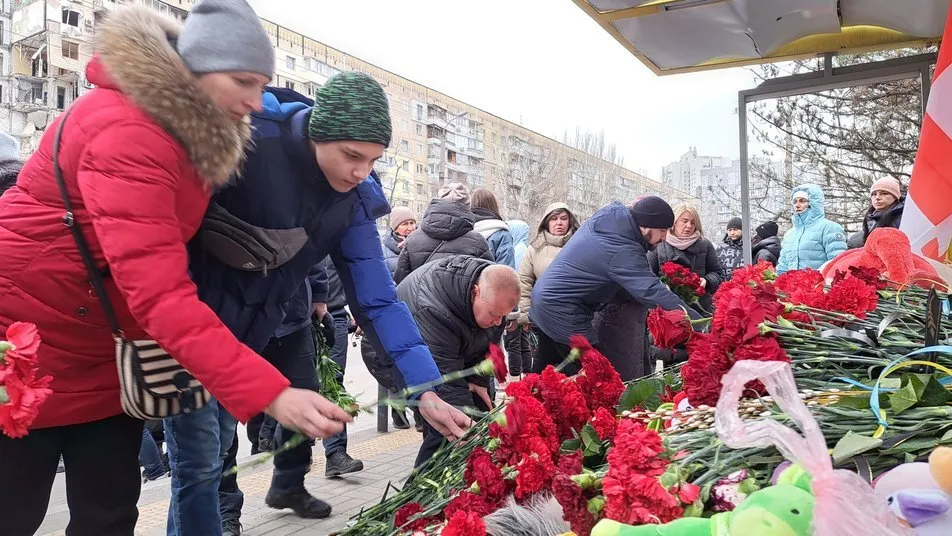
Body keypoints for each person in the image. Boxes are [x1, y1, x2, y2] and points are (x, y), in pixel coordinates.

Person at [0, 4, 350, 536]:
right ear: (198, 69)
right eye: (244, 82)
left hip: (105, 345)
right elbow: (159, 291)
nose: (257, 101)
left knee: (109, 510)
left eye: (263, 85)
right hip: (32, 342)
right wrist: (272, 392)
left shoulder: (187, 131)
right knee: (17, 505)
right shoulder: (131, 131)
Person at [176, 72, 471, 532]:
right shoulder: (249, 143)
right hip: (189, 328)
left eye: (373, 160)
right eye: (352, 155)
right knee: (201, 465)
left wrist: (424, 390)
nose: (361, 172)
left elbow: (377, 301)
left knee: (211, 457)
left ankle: (274, 490)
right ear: (317, 132)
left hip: (260, 329)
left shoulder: (352, 201)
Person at [530, 197, 701, 376]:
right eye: (662, 230)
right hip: (562, 313)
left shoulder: (610, 220)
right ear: (644, 226)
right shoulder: (623, 248)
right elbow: (651, 291)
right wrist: (698, 323)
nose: (665, 237)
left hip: (546, 304)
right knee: (597, 377)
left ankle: (523, 402)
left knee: (543, 379)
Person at [396, 256, 520, 467]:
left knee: (479, 413)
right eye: (494, 314)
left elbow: (486, 343)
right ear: (475, 292)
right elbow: (446, 382)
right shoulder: (433, 309)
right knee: (449, 426)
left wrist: (478, 380)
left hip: (453, 357)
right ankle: (420, 492)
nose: (498, 322)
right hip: (403, 356)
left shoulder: (493, 300)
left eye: (503, 317)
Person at [517, 203, 579, 373]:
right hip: (542, 319)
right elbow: (524, 282)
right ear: (546, 222)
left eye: (563, 218)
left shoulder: (580, 245)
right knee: (542, 369)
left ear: (570, 221)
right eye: (554, 218)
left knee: (573, 369)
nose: (559, 223)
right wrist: (525, 315)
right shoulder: (535, 249)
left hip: (572, 318)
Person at [394, 182, 493, 283]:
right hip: (461, 299)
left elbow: (401, 281)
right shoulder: (477, 242)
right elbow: (490, 283)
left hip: (420, 297)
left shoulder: (412, 239)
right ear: (467, 207)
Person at [776, 184, 847, 273]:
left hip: (820, 285)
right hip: (792, 286)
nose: (797, 205)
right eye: (795, 202)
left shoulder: (829, 228)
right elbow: (783, 267)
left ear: (812, 202)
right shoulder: (789, 234)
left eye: (802, 201)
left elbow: (837, 262)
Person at [504, 219, 531, 382]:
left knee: (513, 343)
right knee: (523, 343)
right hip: (525, 305)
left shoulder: (517, 250)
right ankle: (528, 377)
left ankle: (514, 379)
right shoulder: (526, 249)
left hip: (517, 304)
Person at [847, 177, 905, 249]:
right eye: (874, 194)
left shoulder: (905, 219)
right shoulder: (869, 220)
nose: (877, 197)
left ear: (896, 197)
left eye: (884, 193)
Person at [471, 188, 515, 268]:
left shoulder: (464, 230)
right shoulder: (502, 233)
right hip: (491, 279)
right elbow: (506, 269)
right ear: (494, 206)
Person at [383, 206, 416, 274]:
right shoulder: (384, 250)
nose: (410, 228)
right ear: (395, 228)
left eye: (412, 223)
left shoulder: (423, 242)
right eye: (405, 224)